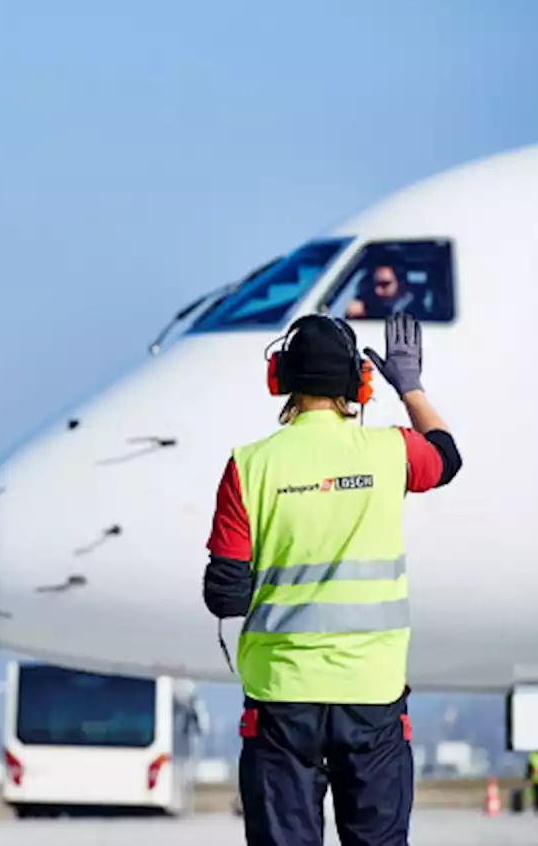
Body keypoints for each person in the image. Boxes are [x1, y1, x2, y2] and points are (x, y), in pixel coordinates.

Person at [202, 312, 462, 846]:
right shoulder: (392, 450)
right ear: (358, 385)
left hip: (282, 696)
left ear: (280, 379)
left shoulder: (248, 466)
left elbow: (225, 594)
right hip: (371, 693)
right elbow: (446, 458)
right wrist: (410, 389)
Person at [345, 263, 415, 319]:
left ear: (402, 284)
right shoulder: (371, 306)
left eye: (384, 284)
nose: (377, 291)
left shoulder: (416, 311)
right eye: (374, 284)